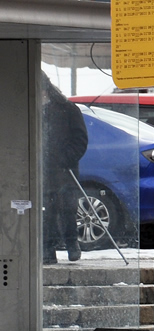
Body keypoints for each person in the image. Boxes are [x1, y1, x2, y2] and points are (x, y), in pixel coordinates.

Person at [41, 77, 88, 265]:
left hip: (63, 170)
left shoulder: (68, 109)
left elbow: (80, 139)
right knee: (47, 211)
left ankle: (71, 243)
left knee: (68, 207)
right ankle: (48, 249)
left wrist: (65, 158)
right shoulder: (32, 110)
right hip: (42, 170)